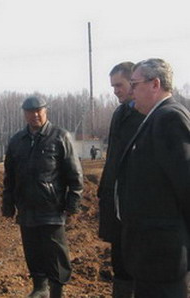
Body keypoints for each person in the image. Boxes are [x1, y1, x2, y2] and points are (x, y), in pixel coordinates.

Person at [116, 58, 190, 298]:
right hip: (151, 251)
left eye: (135, 84)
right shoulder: (154, 118)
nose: (131, 91)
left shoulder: (170, 119)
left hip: (163, 252)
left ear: (155, 84)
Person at [2, 96, 83, 298]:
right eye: (30, 111)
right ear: (24, 114)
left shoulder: (59, 136)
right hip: (26, 207)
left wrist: (73, 202)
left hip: (52, 207)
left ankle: (57, 289)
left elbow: (74, 173)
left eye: (39, 111)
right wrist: (8, 202)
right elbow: (9, 175)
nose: (35, 115)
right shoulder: (16, 141)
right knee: (33, 250)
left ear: (45, 111)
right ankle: (40, 287)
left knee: (56, 252)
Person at [97, 61, 145, 297]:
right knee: (121, 263)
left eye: (120, 85)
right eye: (113, 86)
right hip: (117, 204)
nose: (115, 90)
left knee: (140, 265)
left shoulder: (147, 115)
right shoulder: (120, 113)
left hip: (137, 206)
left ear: (133, 83)